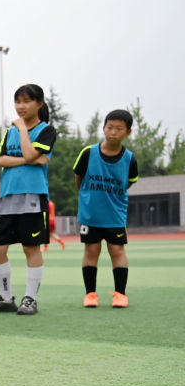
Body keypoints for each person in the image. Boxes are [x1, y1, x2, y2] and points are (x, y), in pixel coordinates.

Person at [0, 84, 57, 316]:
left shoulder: (46, 130)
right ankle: (5, 299)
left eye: (27, 101)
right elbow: (0, 160)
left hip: (32, 196)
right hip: (7, 197)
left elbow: (33, 153)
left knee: (30, 247)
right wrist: (29, 158)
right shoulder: (8, 132)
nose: (21, 106)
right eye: (18, 102)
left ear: (39, 104)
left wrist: (23, 130)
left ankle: (30, 299)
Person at [74, 108, 138, 308]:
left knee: (117, 250)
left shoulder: (130, 159)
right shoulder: (88, 152)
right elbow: (79, 178)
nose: (112, 132)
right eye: (109, 127)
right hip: (91, 213)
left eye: (119, 129)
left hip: (115, 215)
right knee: (91, 250)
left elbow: (129, 182)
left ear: (128, 132)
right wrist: (86, 196)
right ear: (103, 128)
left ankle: (120, 294)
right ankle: (90, 294)